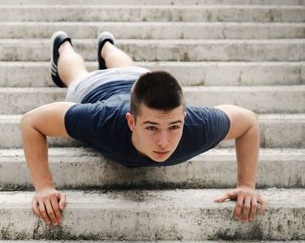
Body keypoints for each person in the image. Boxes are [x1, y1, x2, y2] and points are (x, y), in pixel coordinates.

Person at [20, 31, 267, 227]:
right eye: (151, 128)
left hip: (139, 79)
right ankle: (64, 45)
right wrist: (44, 187)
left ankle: (107, 46)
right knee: (76, 74)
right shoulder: (101, 121)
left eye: (173, 126)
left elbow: (248, 122)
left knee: (131, 70)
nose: (164, 141)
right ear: (131, 122)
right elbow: (32, 121)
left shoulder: (196, 125)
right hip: (96, 89)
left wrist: (247, 185)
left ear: (184, 116)